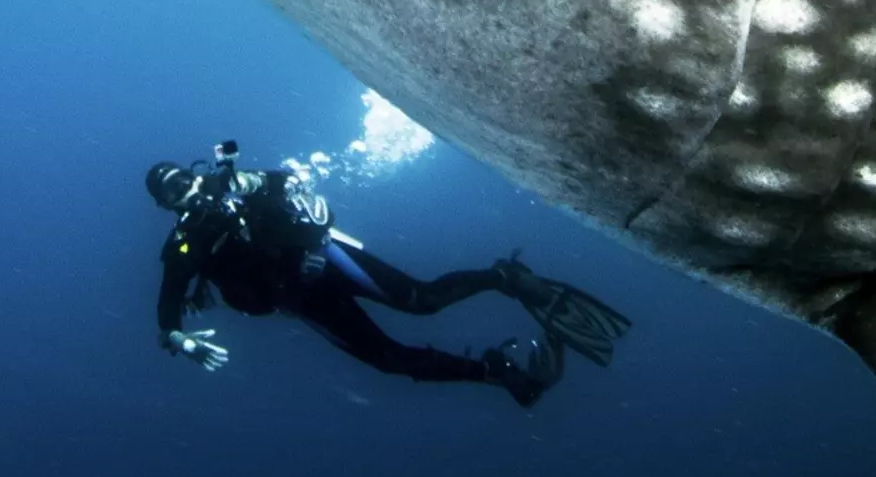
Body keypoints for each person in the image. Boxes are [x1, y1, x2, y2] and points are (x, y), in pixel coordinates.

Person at [145, 141, 631, 407]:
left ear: (194, 174)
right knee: (390, 361)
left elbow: (283, 181)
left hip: (328, 259)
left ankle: (504, 278)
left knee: (422, 301)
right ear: (164, 207)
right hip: (302, 301)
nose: (184, 194)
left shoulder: (232, 184)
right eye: (171, 195)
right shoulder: (186, 244)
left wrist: (255, 182)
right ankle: (495, 374)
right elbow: (168, 299)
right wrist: (178, 338)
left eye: (183, 182)